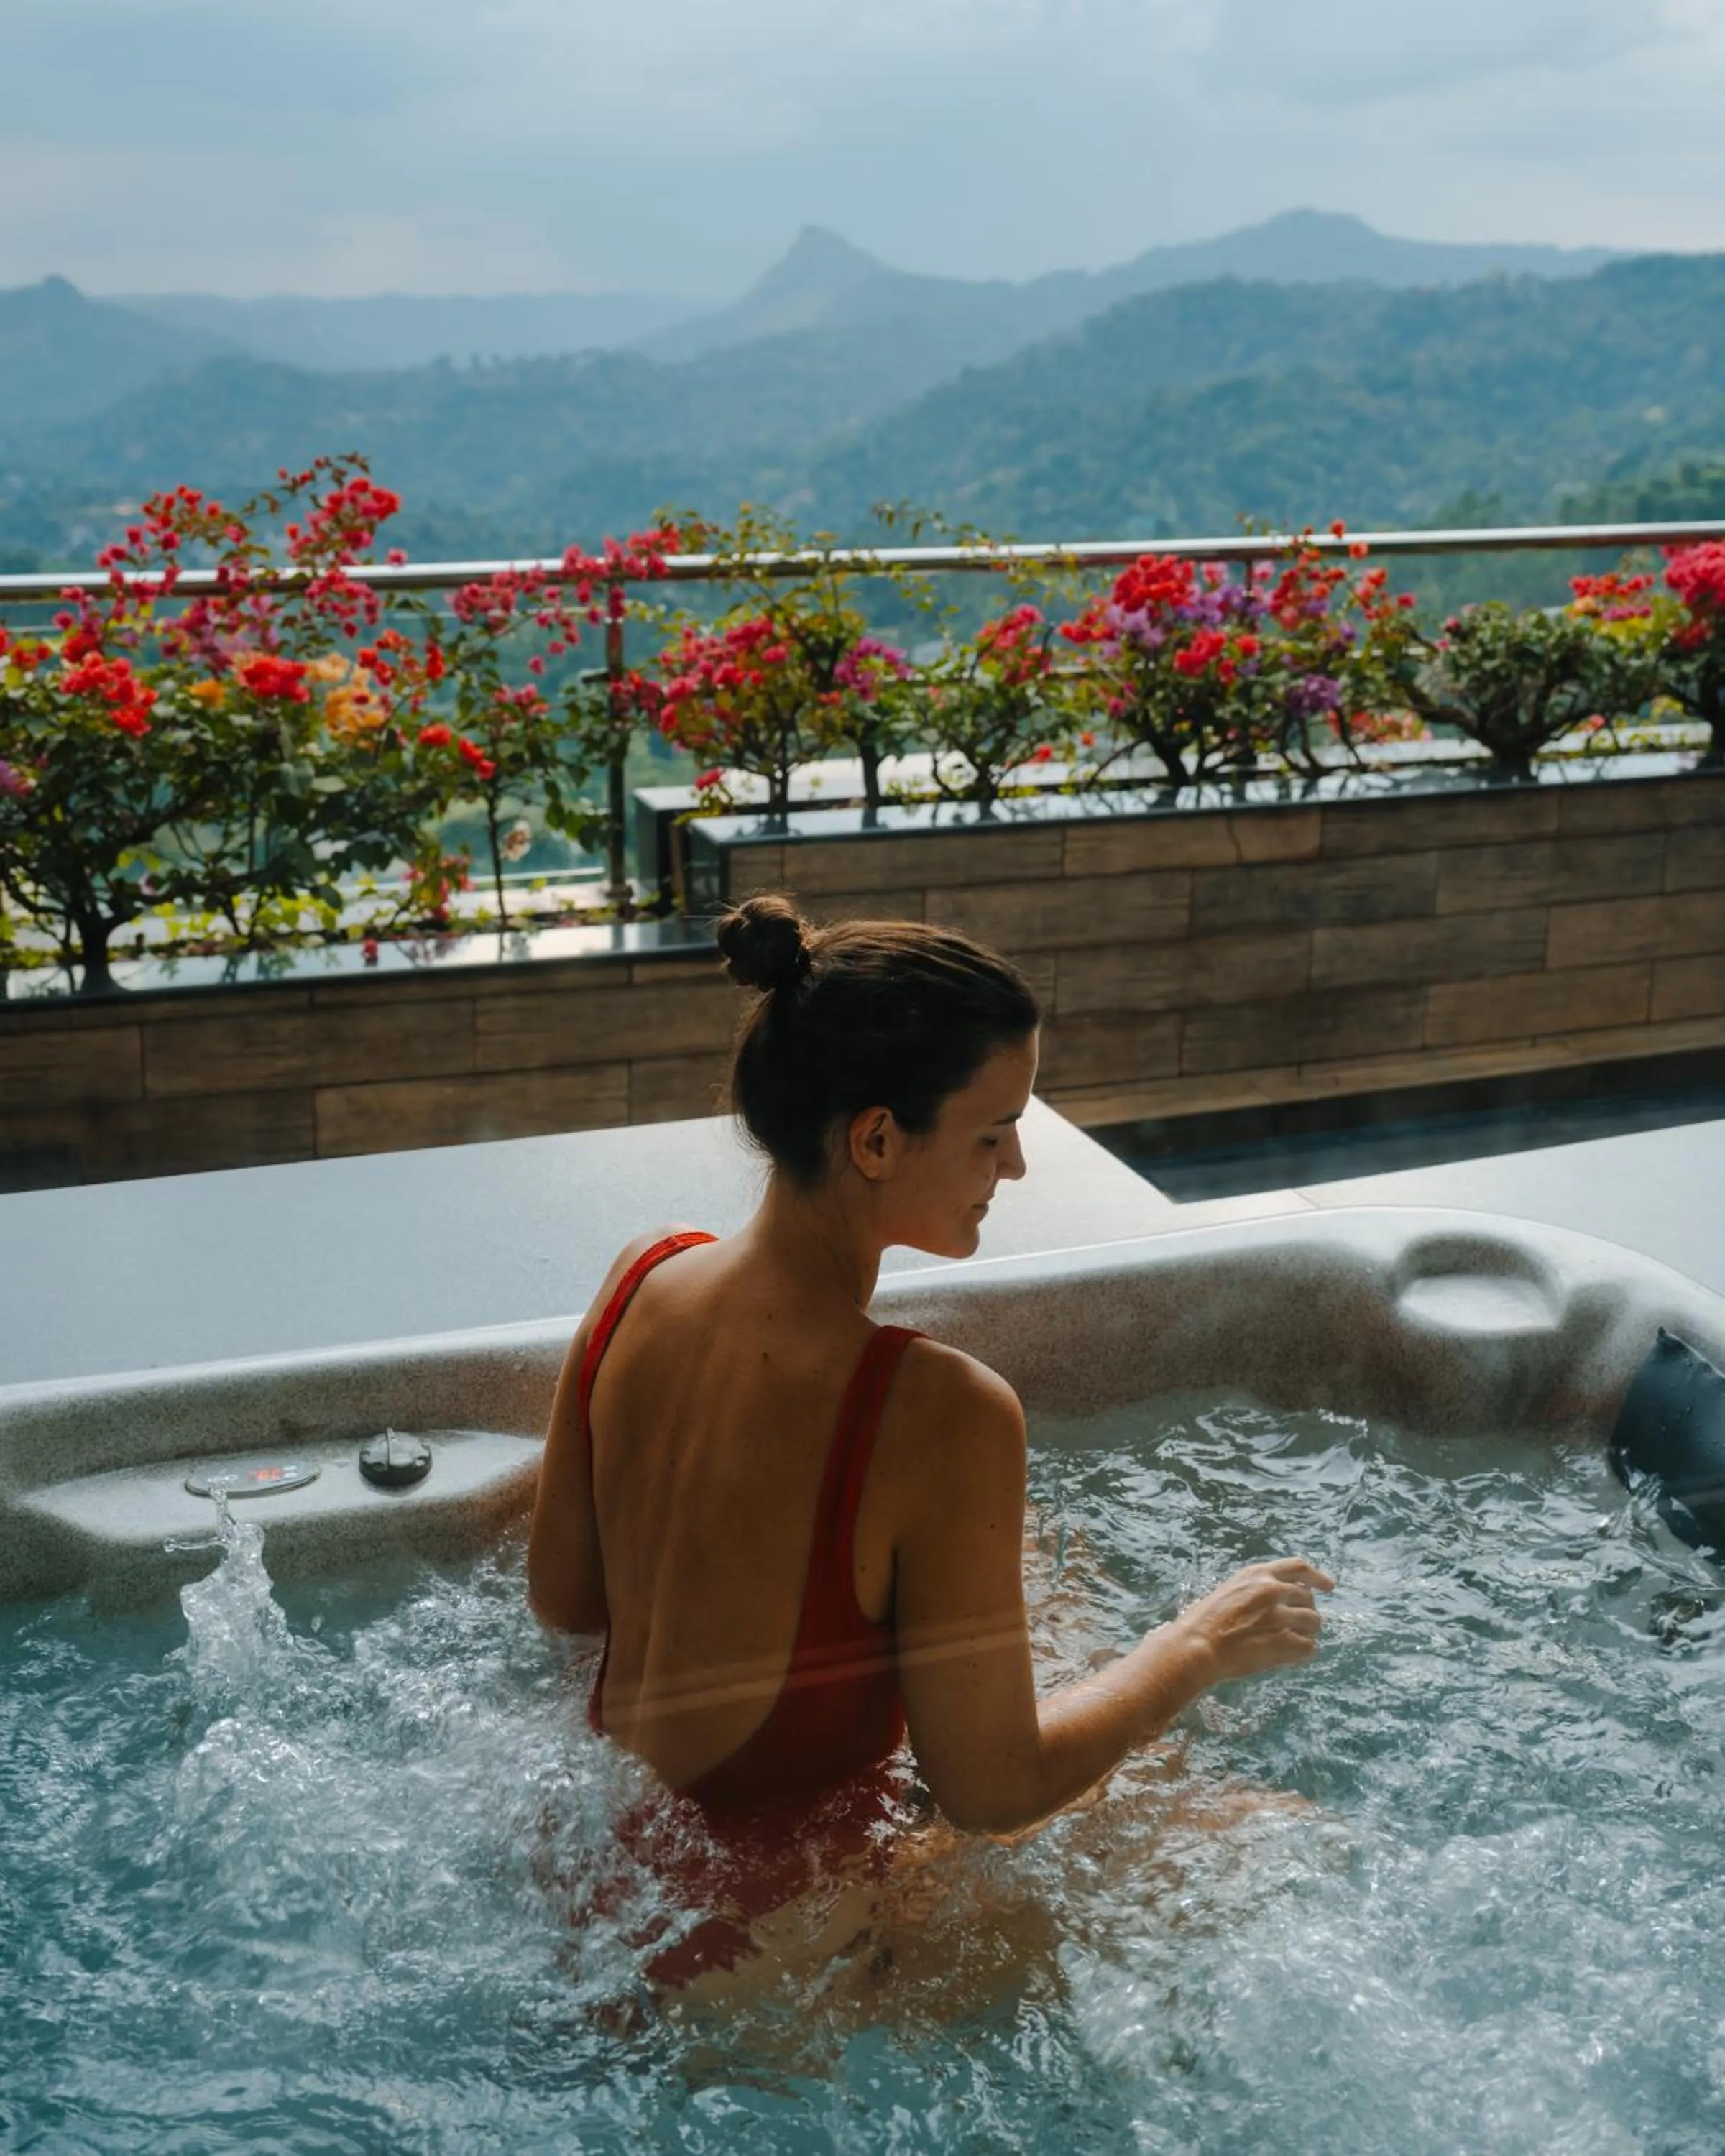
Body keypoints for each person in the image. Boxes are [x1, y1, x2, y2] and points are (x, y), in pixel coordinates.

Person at [527, 893, 1332, 1990]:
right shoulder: (936, 1411)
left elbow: (566, 1603)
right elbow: (993, 1793)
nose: (1017, 1168)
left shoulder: (643, 1275)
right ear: (875, 1139)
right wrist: (1194, 1647)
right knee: (1270, 1844)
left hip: (593, 1892)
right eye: (994, 1134)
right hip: (762, 1974)